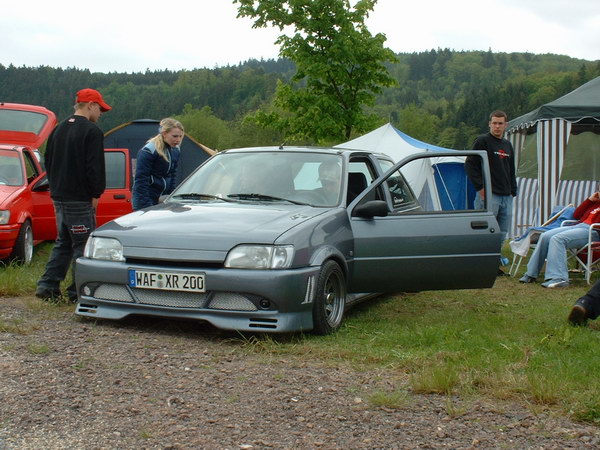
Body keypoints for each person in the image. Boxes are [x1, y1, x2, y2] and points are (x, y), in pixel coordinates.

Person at [36, 88, 111, 302]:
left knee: (64, 241)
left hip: (59, 196)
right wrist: (96, 192)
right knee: (83, 244)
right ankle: (78, 291)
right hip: (79, 199)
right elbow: (94, 166)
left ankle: (48, 286)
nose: (101, 113)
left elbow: (47, 162)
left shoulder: (58, 129)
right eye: (100, 108)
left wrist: (56, 186)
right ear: (90, 105)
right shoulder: (92, 131)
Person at [465, 110, 517, 276]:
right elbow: (470, 165)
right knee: (484, 232)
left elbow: (511, 170)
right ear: (489, 124)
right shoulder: (482, 141)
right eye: (494, 123)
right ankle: (478, 265)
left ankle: (493, 266)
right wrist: (480, 188)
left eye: (500, 123)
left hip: (506, 195)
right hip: (489, 195)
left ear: (505, 125)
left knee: (501, 234)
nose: (497, 126)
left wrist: (513, 191)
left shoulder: (507, 145)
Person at [519, 192, 600, 288]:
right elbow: (577, 215)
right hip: (579, 226)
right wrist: (589, 200)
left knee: (558, 239)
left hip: (593, 231)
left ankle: (559, 278)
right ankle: (531, 274)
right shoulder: (595, 203)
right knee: (545, 236)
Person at [132, 118, 184, 210]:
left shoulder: (175, 150)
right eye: (175, 136)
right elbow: (141, 180)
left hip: (162, 197)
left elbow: (172, 175)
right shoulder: (149, 150)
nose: (178, 140)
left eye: (180, 136)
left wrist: (170, 197)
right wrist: (146, 206)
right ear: (164, 134)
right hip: (145, 197)